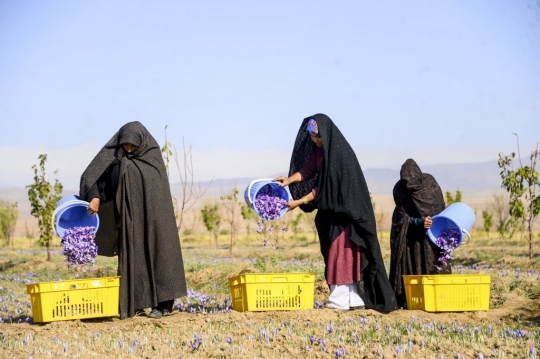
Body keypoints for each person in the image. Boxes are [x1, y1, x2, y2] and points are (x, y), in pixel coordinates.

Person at [274, 114, 397, 312]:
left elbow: (325, 187)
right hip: (333, 210)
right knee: (339, 251)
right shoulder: (322, 150)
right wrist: (289, 180)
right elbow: (309, 169)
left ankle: (340, 297)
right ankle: (352, 297)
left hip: (347, 212)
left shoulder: (339, 153)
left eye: (317, 137)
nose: (315, 141)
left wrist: (300, 201)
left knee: (342, 251)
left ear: (326, 133)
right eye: (312, 138)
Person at [79, 121, 187, 319]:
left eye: (132, 146)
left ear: (141, 143)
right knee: (133, 259)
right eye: (125, 145)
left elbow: (157, 191)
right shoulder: (113, 156)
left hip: (154, 219)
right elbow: (92, 176)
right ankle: (135, 304)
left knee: (159, 254)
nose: (129, 149)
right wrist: (95, 196)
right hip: (128, 220)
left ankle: (162, 305)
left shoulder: (152, 158)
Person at [388, 158, 450, 309]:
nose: (411, 189)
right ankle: (410, 300)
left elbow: (439, 208)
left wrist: (432, 222)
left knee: (431, 265)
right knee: (413, 266)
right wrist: (419, 222)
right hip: (410, 238)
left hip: (432, 236)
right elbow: (402, 218)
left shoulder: (430, 184)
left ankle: (437, 300)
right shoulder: (400, 190)